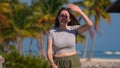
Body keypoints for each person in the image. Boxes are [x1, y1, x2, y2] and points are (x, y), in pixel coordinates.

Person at [47, 3, 93, 68]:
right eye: (62, 15)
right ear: (58, 17)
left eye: (66, 16)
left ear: (69, 19)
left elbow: (90, 25)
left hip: (73, 61)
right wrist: (52, 64)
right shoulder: (52, 32)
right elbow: (49, 50)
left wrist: (80, 11)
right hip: (57, 62)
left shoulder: (74, 29)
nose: (64, 18)